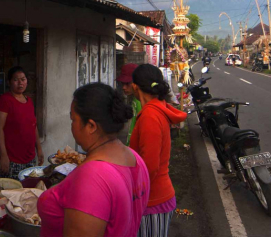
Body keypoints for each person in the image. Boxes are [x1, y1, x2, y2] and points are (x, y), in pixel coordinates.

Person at [38, 83, 150, 237]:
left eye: (73, 120)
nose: (72, 126)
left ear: (91, 126)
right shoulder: (134, 158)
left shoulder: (92, 177)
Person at [129, 64, 188, 237]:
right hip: (155, 197)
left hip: (152, 200)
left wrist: (132, 194)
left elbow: (150, 167)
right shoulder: (157, 108)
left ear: (135, 87)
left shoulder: (150, 116)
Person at [0, 66, 44, 179]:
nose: (20, 83)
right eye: (16, 80)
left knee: (27, 192)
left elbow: (33, 126)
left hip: (29, 157)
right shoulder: (4, 101)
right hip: (12, 159)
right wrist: (3, 156)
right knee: (13, 193)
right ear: (9, 82)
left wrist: (39, 149)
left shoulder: (29, 101)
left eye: (23, 79)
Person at [116, 63, 142, 145]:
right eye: (122, 84)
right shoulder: (132, 99)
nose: (124, 87)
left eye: (127, 83)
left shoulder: (140, 102)